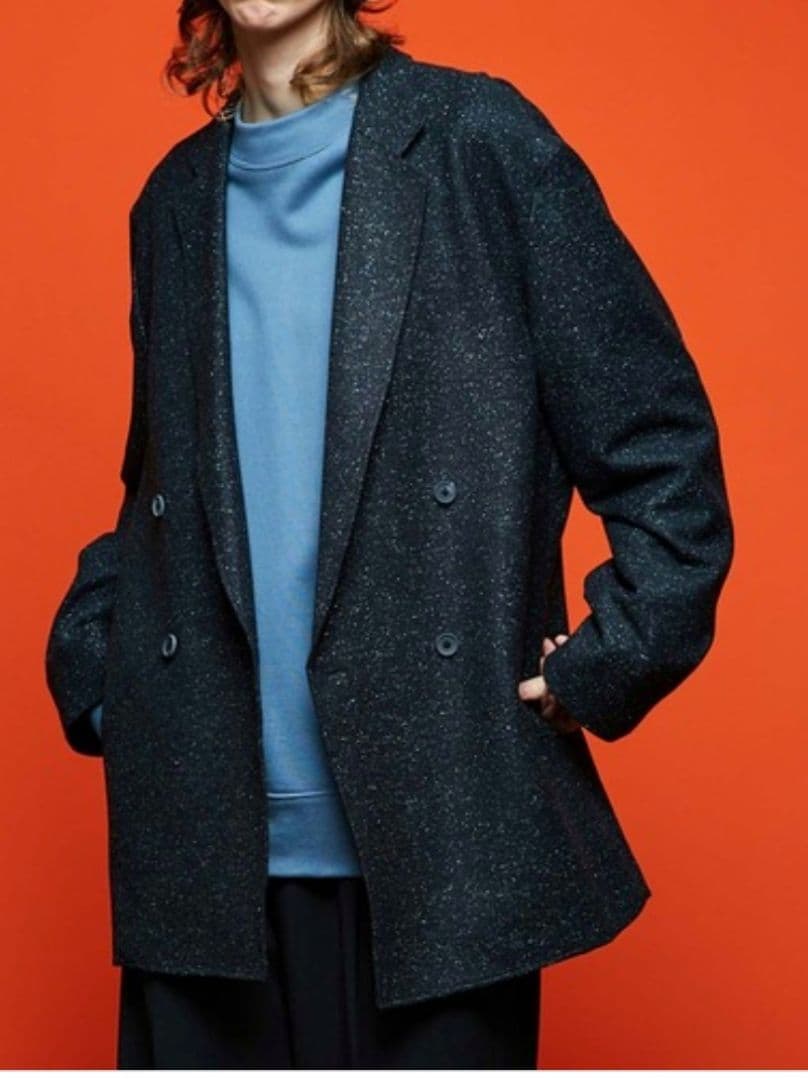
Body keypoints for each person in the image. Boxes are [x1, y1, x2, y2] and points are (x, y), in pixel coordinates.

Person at [44, 0, 734, 1069]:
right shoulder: (173, 199)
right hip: (202, 827)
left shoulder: (474, 140)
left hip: (442, 817)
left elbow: (656, 435)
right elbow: (161, 487)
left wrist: (617, 655)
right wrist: (98, 668)